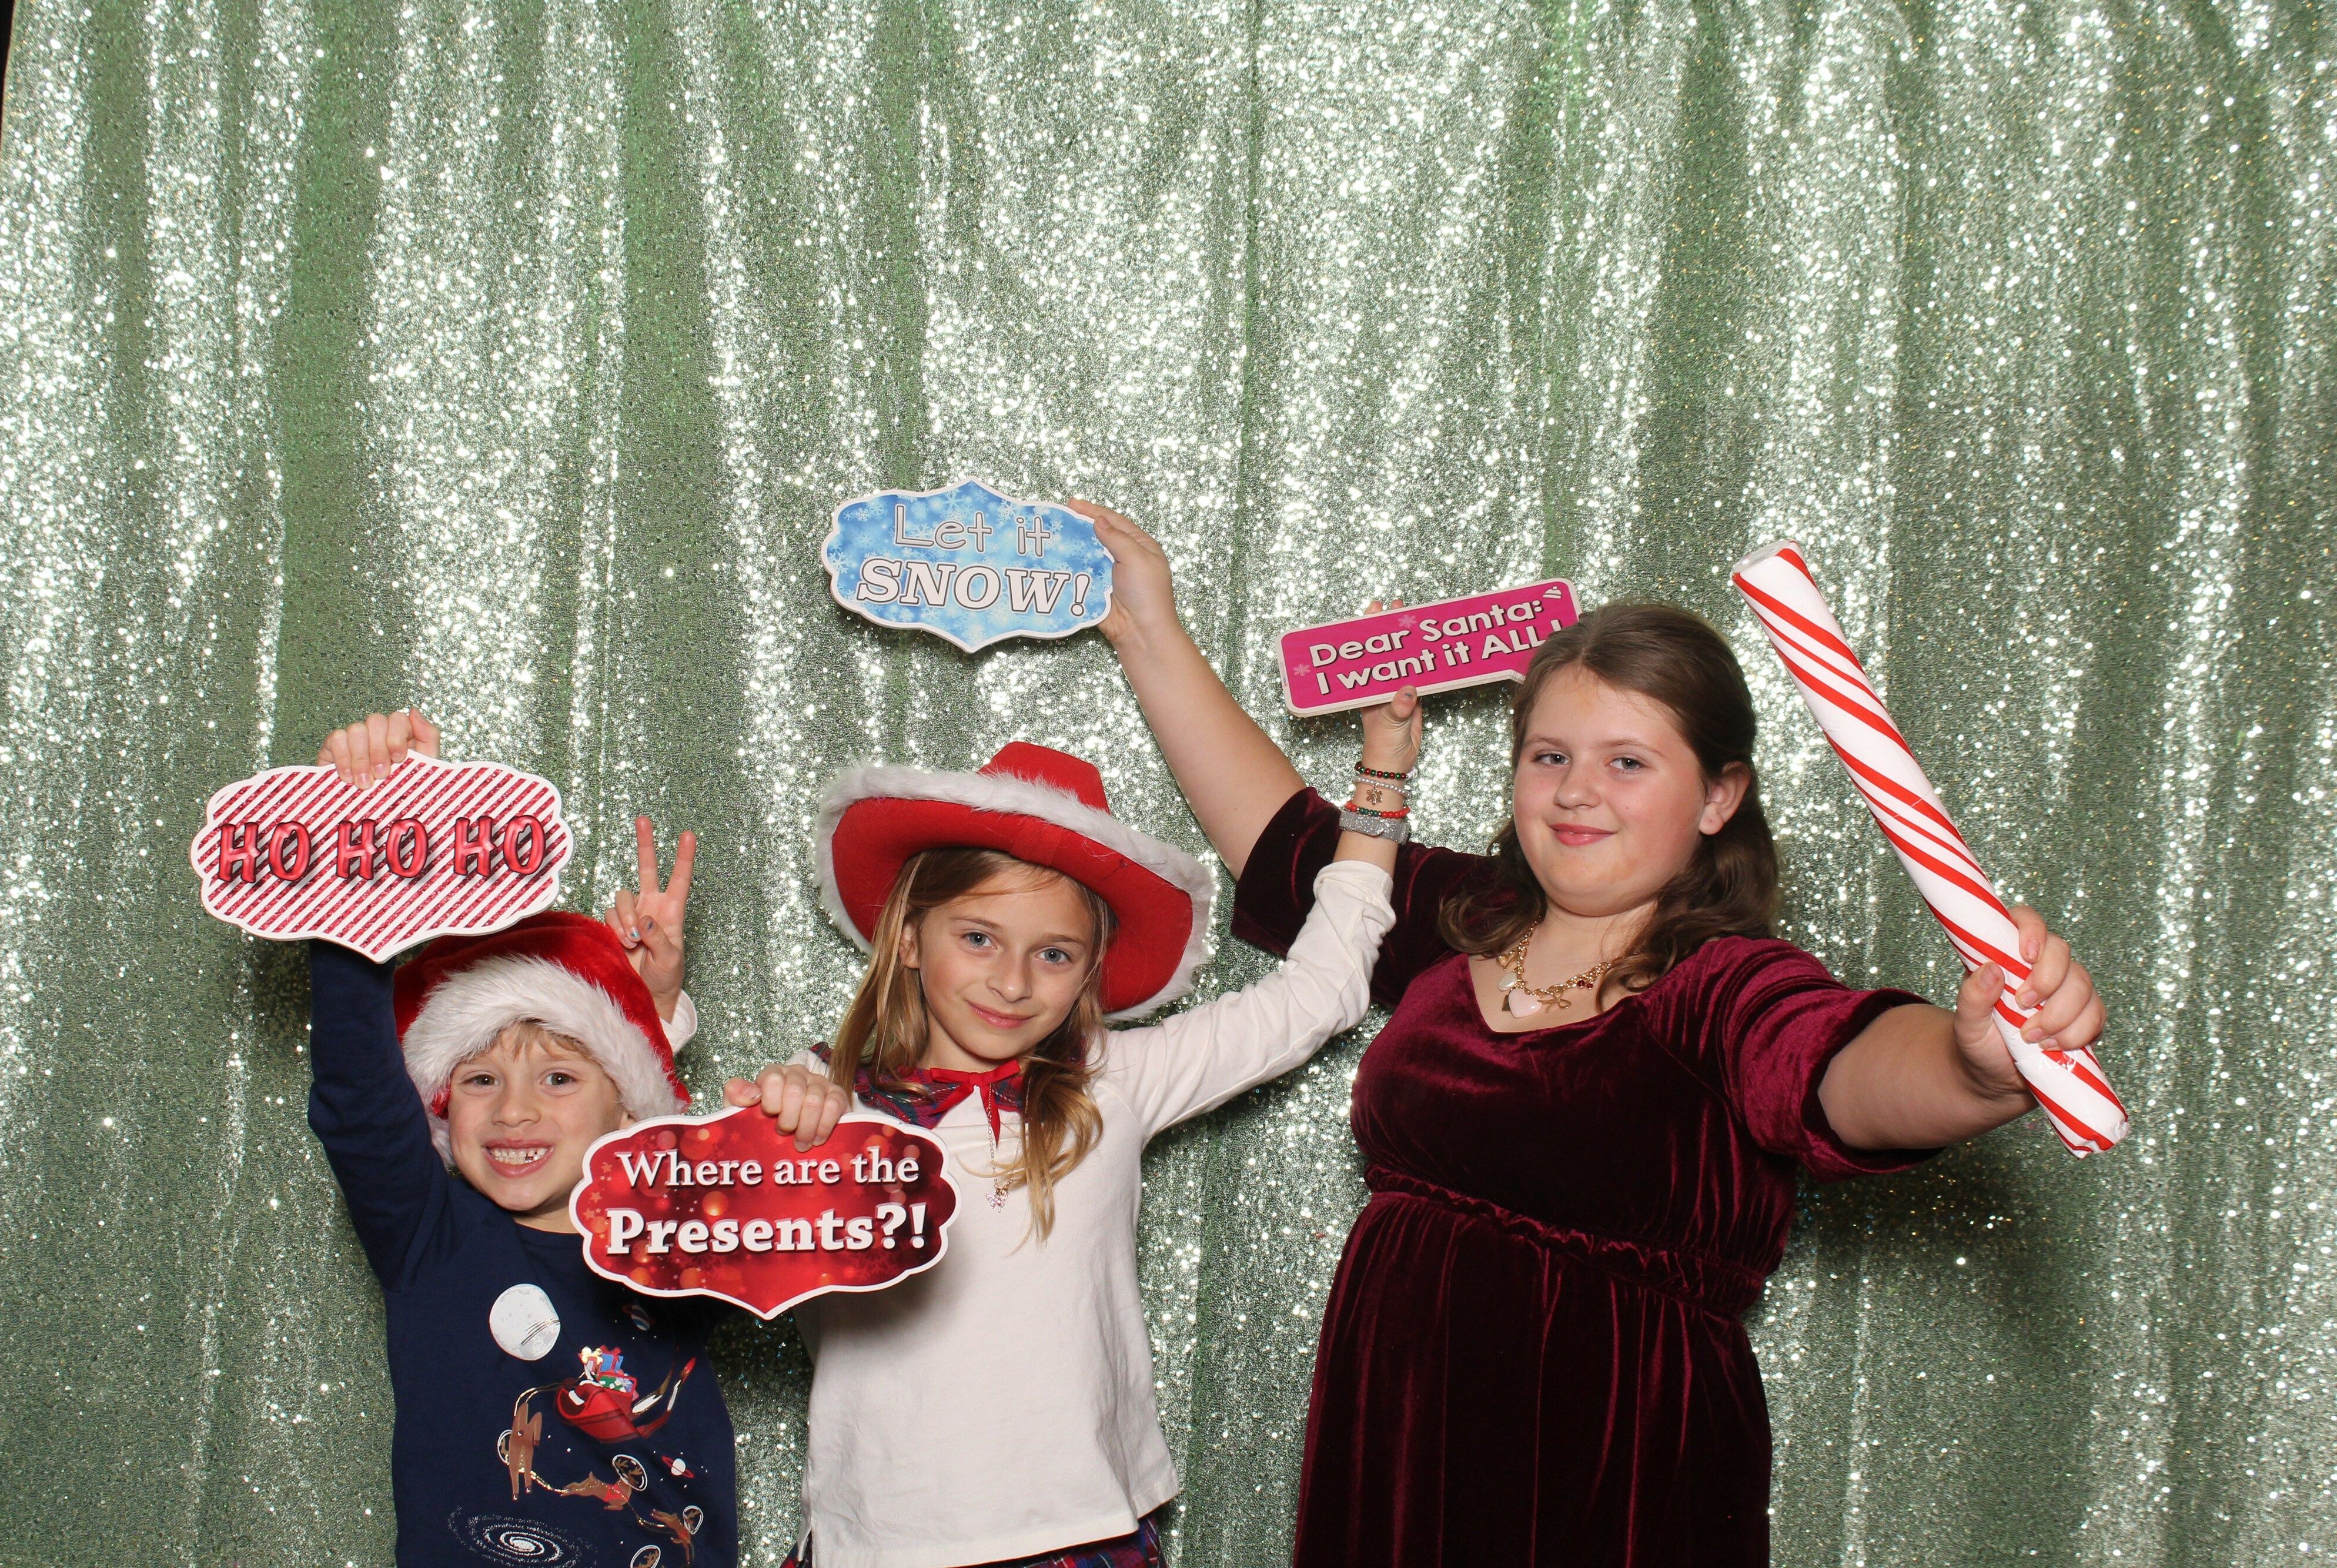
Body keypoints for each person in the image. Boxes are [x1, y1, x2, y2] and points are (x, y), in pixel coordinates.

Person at [1078, 503, 2107, 1567]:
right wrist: (1148, 628)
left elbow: (1839, 1069)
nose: (1576, 792)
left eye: (1628, 763)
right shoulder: (1465, 918)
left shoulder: (1726, 986)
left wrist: (1971, 1066)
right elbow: (1286, 849)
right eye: (1549, 755)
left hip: (1611, 1481)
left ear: (1719, 797)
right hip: (1398, 1453)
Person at [766, 739, 1397, 1568]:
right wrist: (668, 1024)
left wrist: (1383, 779)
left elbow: (1320, 992)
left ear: (1091, 971)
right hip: (880, 1543)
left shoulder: (1115, 1078)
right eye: (979, 938)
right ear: (910, 935)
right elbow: (648, 1225)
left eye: (1054, 954)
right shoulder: (818, 1099)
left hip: (1081, 1530)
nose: (1013, 982)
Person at [302, 710, 847, 1568]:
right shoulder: (429, 1237)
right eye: (480, 1082)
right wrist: (362, 863)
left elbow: (804, 1202)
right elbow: (357, 1098)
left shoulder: (677, 1238)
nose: (513, 1112)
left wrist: (805, 1116)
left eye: (557, 1080)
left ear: (626, 1108)